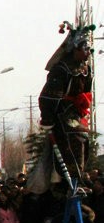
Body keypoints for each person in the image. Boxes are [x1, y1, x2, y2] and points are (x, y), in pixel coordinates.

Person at [30, 19, 95, 192]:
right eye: (85, 49)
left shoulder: (85, 69)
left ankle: (77, 181)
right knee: (72, 142)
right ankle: (68, 183)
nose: (88, 53)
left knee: (83, 142)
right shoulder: (61, 69)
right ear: (75, 49)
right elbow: (48, 96)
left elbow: (86, 92)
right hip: (61, 115)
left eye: (89, 49)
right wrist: (48, 118)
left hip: (77, 115)